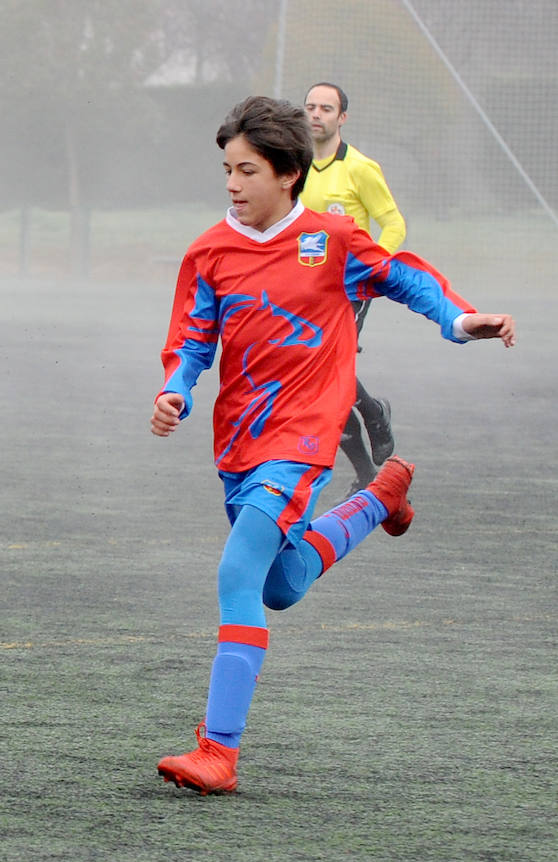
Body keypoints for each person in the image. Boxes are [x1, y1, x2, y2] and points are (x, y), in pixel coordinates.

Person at [150, 96, 515, 795]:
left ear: (288, 173)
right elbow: (192, 339)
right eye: (226, 169)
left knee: (236, 574)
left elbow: (403, 275)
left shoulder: (332, 240)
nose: (231, 184)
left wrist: (460, 319)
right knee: (279, 585)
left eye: (247, 170)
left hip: (305, 436)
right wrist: (176, 389)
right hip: (241, 441)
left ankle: (218, 751)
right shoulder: (207, 252)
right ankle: (380, 499)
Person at [302, 82, 406, 498]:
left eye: (326, 108)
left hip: (350, 288)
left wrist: (371, 265)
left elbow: (394, 224)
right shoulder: (294, 165)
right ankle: (372, 419)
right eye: (310, 106)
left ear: (341, 117)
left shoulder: (360, 168)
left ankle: (368, 455)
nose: (316, 114)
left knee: (327, 375)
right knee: (321, 380)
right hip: (304, 290)